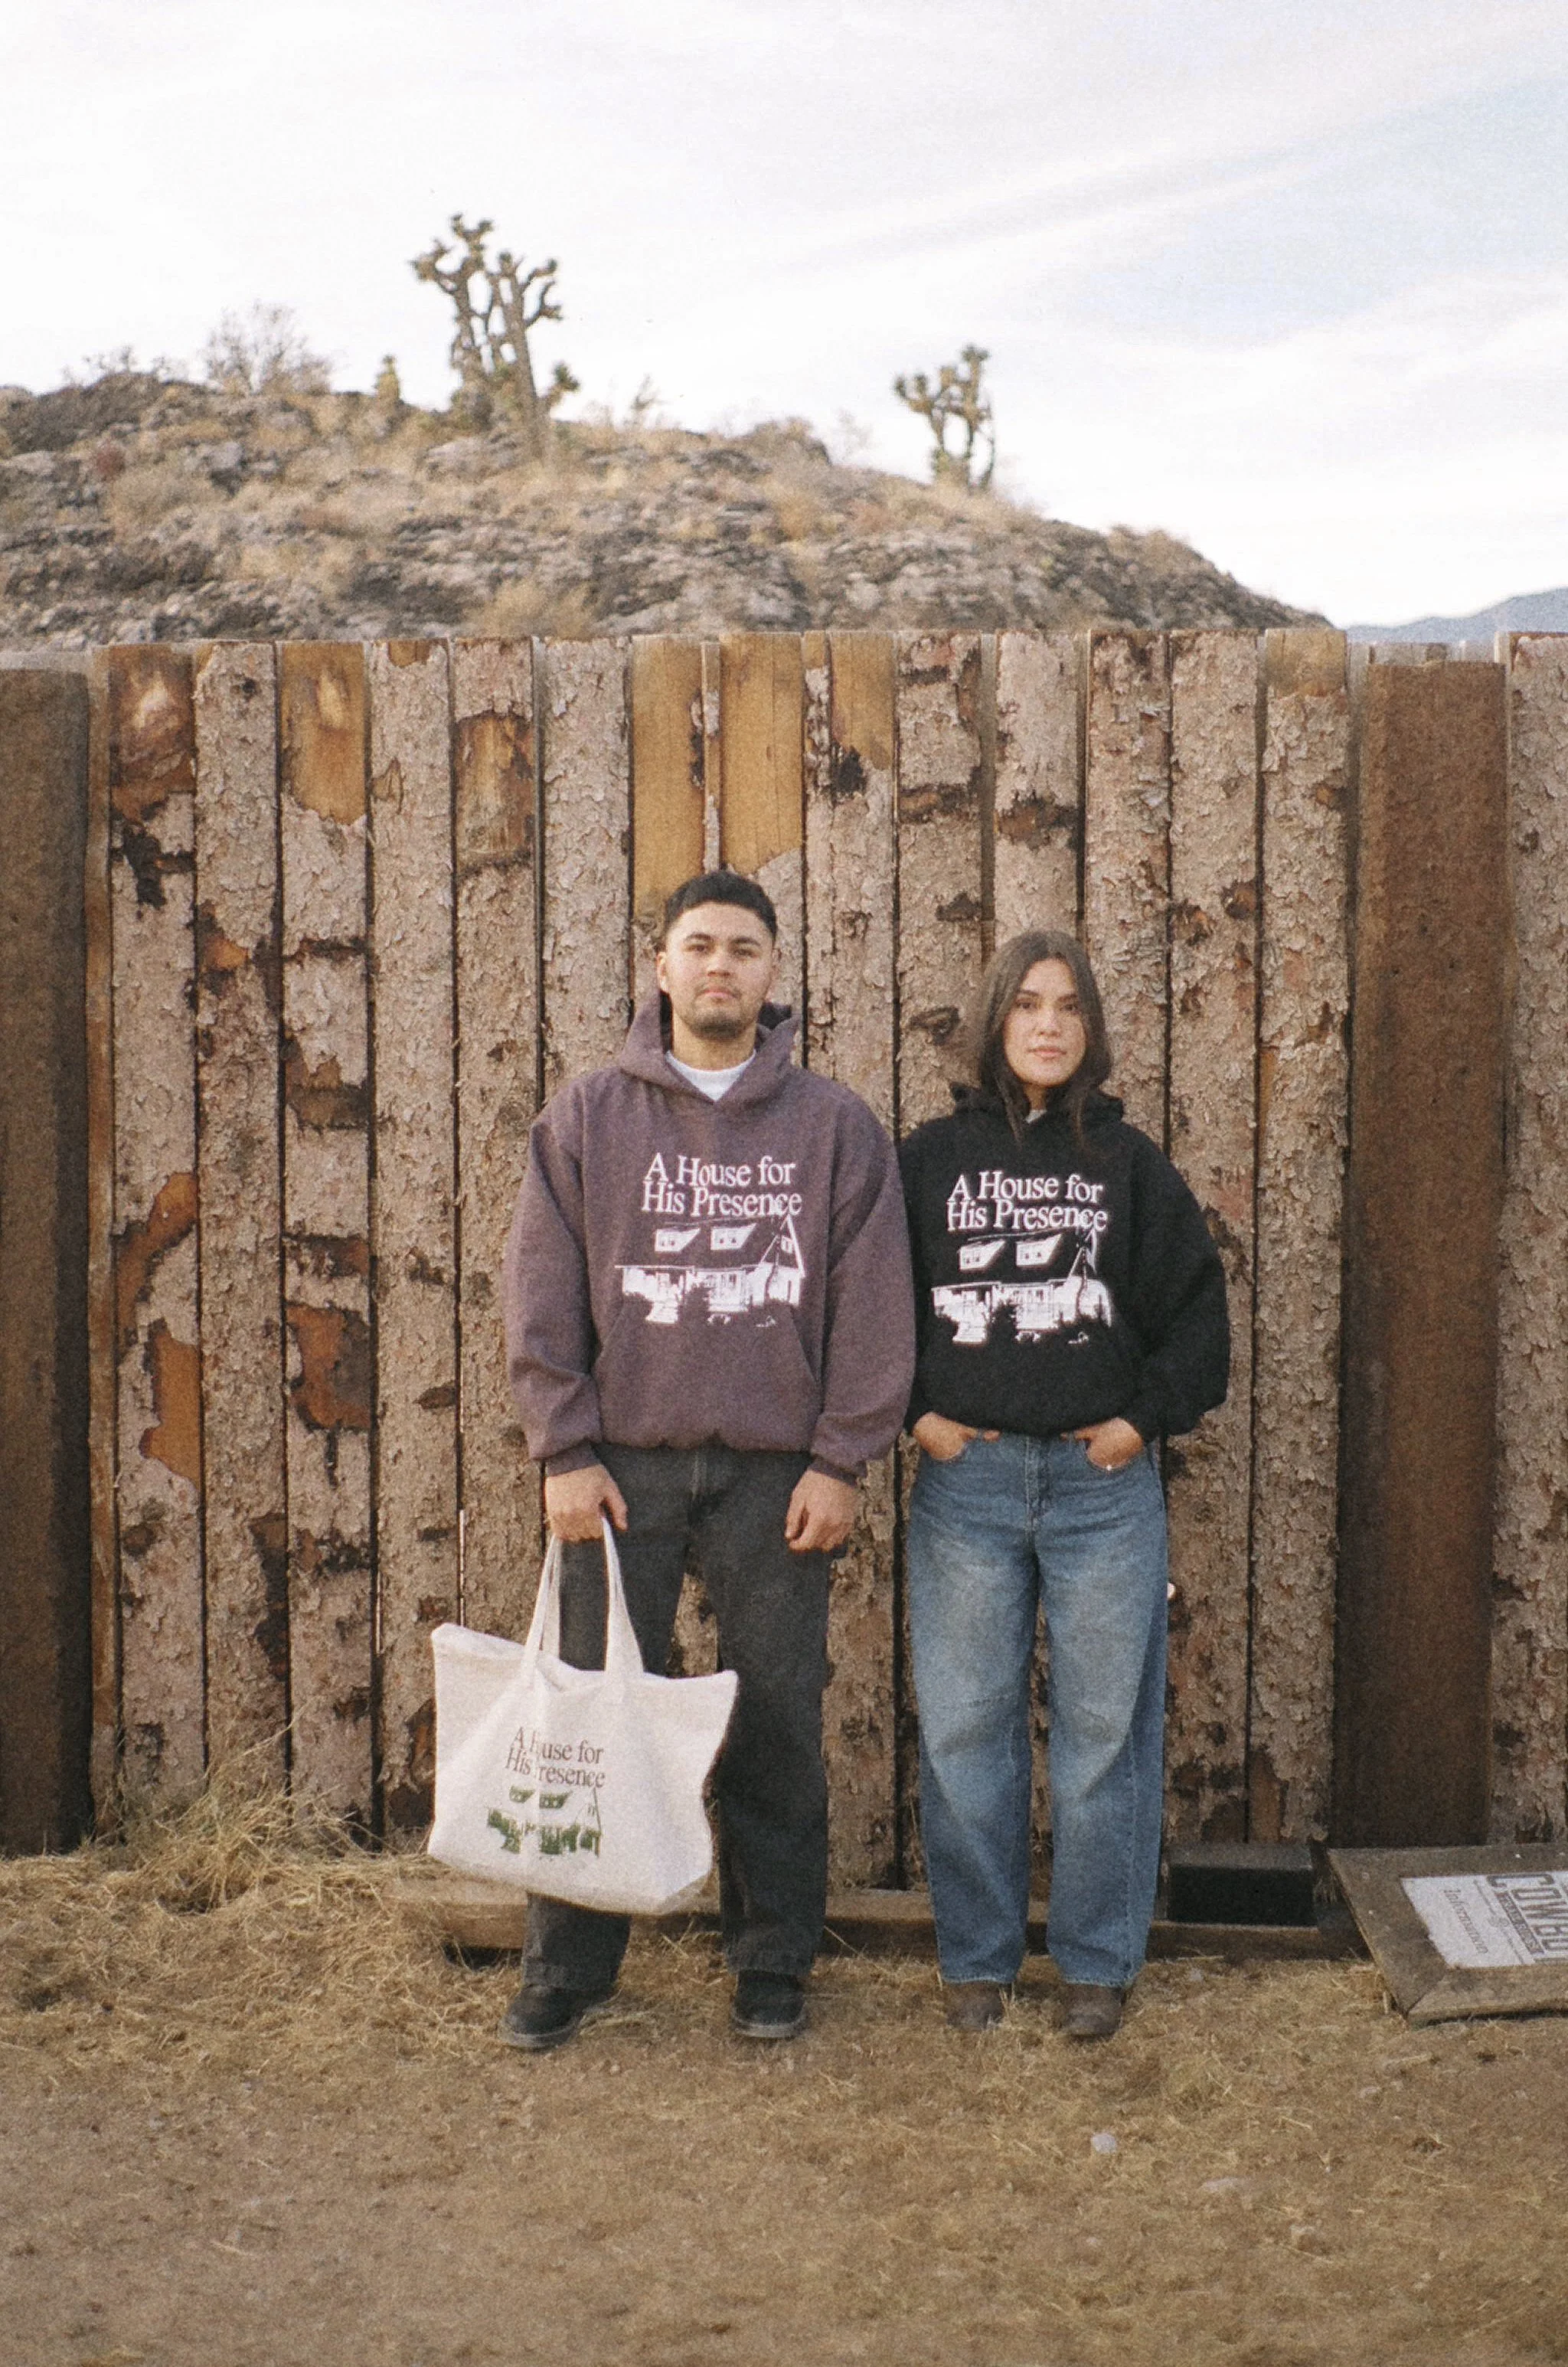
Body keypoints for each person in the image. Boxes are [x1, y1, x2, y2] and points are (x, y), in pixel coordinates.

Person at [501, 868, 915, 2050]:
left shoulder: (834, 1129)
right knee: (591, 1713)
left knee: (774, 1716)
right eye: (699, 945)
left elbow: (878, 1310)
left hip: (776, 1476)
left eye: (743, 946)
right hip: (619, 1468)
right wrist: (564, 1447)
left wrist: (841, 1460)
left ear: (774, 972)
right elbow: (538, 1297)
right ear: (662, 965)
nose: (720, 965)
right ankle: (567, 1963)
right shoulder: (588, 1118)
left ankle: (771, 1958)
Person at [899, 930, 1228, 2041]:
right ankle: (977, 1963)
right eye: (1028, 1004)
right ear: (996, 1022)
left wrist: (1139, 1422)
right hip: (970, 1483)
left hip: (1100, 1494)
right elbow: (867, 1305)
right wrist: (916, 1414)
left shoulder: (1129, 1167)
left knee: (1103, 1732)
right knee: (964, 1728)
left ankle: (1095, 1962)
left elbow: (1198, 1320)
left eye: (1068, 1007)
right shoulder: (931, 1159)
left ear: (1089, 1031)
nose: (1047, 1023)